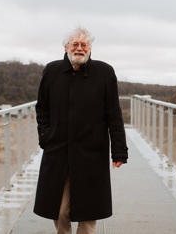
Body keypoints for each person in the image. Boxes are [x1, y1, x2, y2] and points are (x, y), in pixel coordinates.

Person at [33, 26, 128, 234]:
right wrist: (45, 136)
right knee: (60, 210)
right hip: (58, 151)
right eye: (75, 44)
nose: (79, 48)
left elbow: (114, 113)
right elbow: (42, 109)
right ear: (66, 47)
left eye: (84, 44)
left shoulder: (104, 72)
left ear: (90, 48)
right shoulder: (52, 71)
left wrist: (119, 150)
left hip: (91, 153)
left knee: (88, 214)